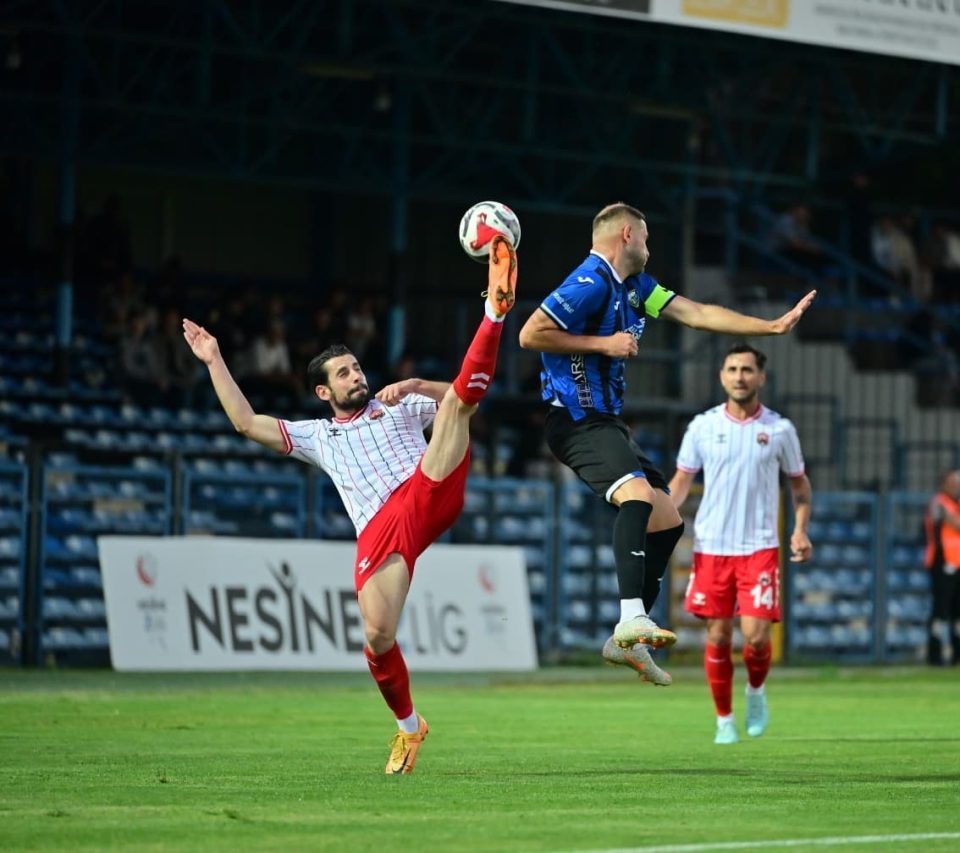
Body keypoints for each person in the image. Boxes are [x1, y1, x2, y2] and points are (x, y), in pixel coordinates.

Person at [183, 237, 518, 774]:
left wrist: (415, 383)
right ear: (323, 391)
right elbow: (246, 424)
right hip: (381, 530)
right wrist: (215, 359)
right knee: (377, 636)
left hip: (426, 489)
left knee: (455, 403)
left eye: (357, 367)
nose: (357, 375)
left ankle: (493, 312)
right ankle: (411, 729)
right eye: (343, 373)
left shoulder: (401, 403)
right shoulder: (318, 436)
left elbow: (460, 397)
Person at [518, 202, 815, 686]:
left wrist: (771, 327)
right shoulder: (590, 280)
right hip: (574, 420)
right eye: (649, 238)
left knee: (667, 519)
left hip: (607, 423)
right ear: (629, 235)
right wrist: (605, 344)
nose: (652, 248)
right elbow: (532, 334)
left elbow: (695, 313)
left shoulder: (636, 289)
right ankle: (630, 617)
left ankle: (626, 641)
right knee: (636, 495)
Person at [668, 344, 812, 744]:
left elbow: (799, 486)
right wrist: (657, 516)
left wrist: (800, 529)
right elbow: (681, 480)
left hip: (759, 547)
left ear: (761, 377)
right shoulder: (701, 426)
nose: (739, 376)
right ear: (722, 376)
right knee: (717, 636)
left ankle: (755, 691)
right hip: (712, 545)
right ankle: (724, 719)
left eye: (747, 369)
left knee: (756, 636)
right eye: (732, 368)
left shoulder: (780, 430)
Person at [922, 469, 960, 666]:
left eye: (959, 482)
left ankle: (959, 653)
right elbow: (957, 523)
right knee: (941, 609)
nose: (957, 485)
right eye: (953, 481)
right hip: (944, 562)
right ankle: (935, 654)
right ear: (944, 483)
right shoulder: (938, 502)